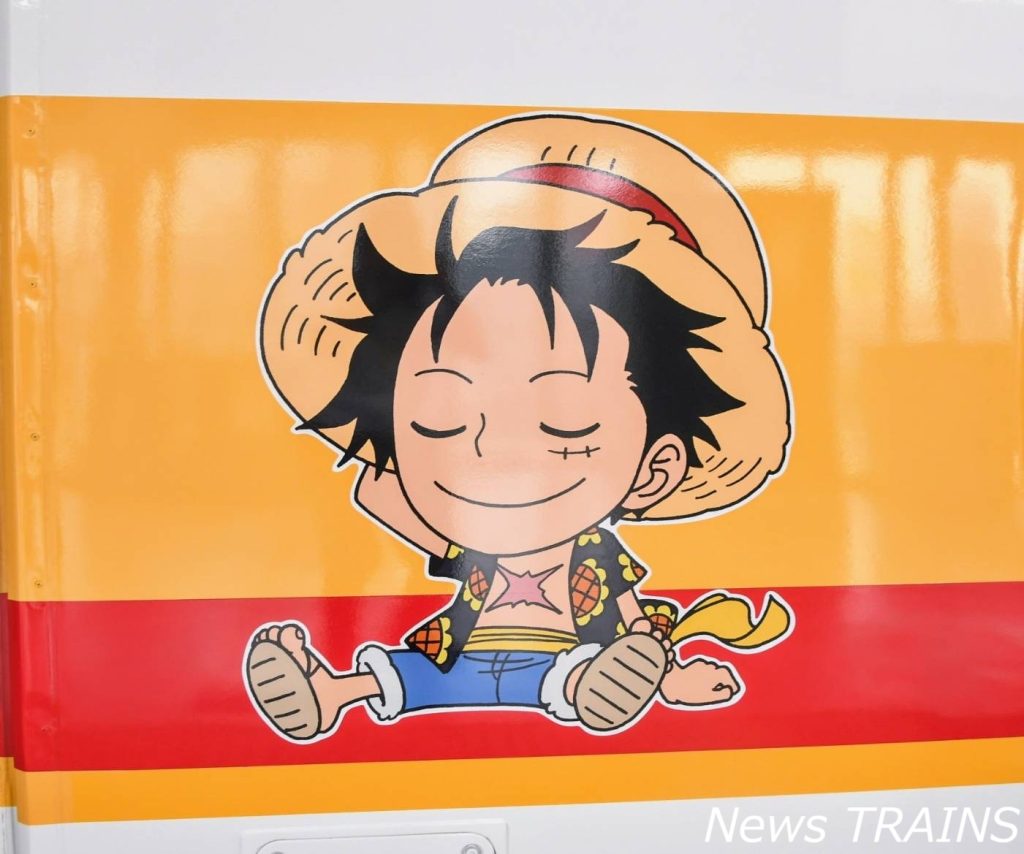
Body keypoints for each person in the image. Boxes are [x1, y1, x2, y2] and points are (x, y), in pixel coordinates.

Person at [246, 114, 793, 741]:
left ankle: (593, 689)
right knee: (413, 674)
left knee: (571, 676)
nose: (487, 449)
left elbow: (633, 622)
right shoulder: (470, 540)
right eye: (441, 419)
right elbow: (380, 492)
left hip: (565, 663)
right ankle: (330, 693)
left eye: (563, 422)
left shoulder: (592, 555)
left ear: (655, 467)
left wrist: (664, 676)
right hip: (458, 659)